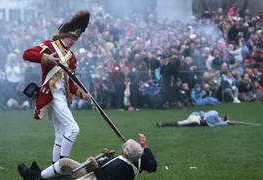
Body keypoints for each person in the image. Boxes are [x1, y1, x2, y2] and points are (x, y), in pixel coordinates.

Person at [22, 10, 92, 164]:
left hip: (62, 96)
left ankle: (55, 169)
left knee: (60, 135)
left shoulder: (71, 58)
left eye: (76, 39)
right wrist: (45, 58)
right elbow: (26, 54)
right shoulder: (49, 46)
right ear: (64, 34)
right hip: (52, 95)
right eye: (72, 38)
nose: (74, 41)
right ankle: (63, 163)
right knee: (73, 129)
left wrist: (83, 94)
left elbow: (70, 84)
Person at [17, 134, 157, 180]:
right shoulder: (138, 157)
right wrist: (145, 145)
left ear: (125, 153)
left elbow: (105, 179)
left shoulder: (122, 168)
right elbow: (153, 166)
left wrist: (96, 167)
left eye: (124, 146)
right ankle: (39, 175)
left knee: (64, 164)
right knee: (64, 169)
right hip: (94, 171)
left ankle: (35, 177)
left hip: (93, 176)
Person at [156, 110, 234, 127]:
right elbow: (204, 114)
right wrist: (226, 122)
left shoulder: (215, 121)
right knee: (196, 123)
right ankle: (162, 124)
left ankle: (162, 124)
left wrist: (227, 122)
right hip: (196, 117)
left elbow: (219, 124)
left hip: (194, 117)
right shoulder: (215, 114)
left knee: (179, 123)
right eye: (221, 118)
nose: (220, 119)